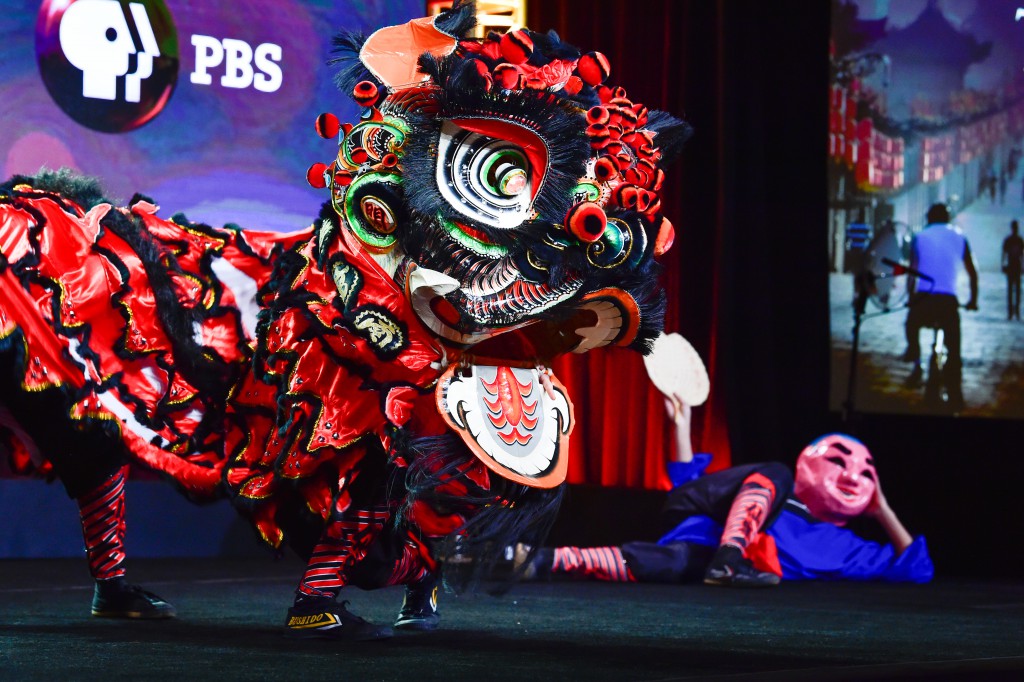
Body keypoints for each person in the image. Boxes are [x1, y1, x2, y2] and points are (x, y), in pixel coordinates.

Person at [517, 408, 932, 586]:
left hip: (697, 549)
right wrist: (681, 425)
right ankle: (729, 558)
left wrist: (883, 510)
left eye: (866, 473)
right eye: (839, 461)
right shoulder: (776, 485)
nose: (853, 475)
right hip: (701, 516)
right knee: (774, 472)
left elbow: (917, 570)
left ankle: (535, 560)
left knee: (679, 563)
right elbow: (688, 491)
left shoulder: (851, 550)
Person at [900, 203, 978, 411]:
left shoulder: (921, 236)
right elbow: (972, 272)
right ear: (947, 218)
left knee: (911, 325)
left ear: (929, 218)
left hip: (924, 299)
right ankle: (955, 392)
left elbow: (912, 271)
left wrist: (910, 298)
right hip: (947, 301)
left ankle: (914, 355)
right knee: (954, 346)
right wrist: (973, 300)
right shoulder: (960, 236)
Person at [1002, 220, 1024, 321]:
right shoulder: (1018, 240)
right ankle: (1014, 313)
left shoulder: (1013, 240)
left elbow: (1004, 254)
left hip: (1014, 267)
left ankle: (1013, 312)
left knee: (1013, 292)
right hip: (1014, 267)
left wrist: (1003, 264)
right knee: (1014, 292)